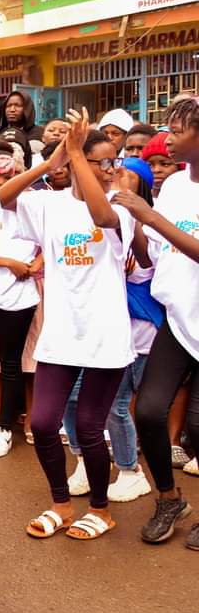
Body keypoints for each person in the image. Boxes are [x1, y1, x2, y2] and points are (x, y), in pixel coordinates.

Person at [0, 108, 146, 542]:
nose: (107, 169)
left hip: (105, 338)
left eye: (110, 162)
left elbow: (102, 219)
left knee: (88, 426)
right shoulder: (49, 204)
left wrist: (78, 154)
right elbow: (3, 198)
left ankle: (100, 509)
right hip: (60, 336)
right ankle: (61, 503)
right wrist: (51, 162)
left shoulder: (122, 204)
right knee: (44, 425)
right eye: (99, 161)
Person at [117, 95, 199, 549]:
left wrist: (150, 217)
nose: (167, 138)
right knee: (149, 410)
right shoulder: (177, 187)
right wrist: (139, 234)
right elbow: (161, 251)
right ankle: (169, 499)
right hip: (179, 319)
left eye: (178, 129)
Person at [59, 167, 155, 503]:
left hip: (135, 334)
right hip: (85, 330)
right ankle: (84, 459)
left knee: (117, 405)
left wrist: (135, 217)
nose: (112, 174)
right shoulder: (77, 216)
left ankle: (131, 470)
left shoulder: (134, 220)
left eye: (124, 173)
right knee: (71, 399)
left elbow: (145, 265)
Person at [0, 145, 63, 457]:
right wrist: (7, 263)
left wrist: (36, 263)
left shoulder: (33, 206)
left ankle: (4, 428)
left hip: (21, 295)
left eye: (8, 175)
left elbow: (48, 241)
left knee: (12, 361)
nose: (2, 182)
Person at [141, 132, 181, 197]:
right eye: (149, 165)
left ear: (180, 167)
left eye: (165, 164)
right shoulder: (139, 199)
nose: (156, 170)